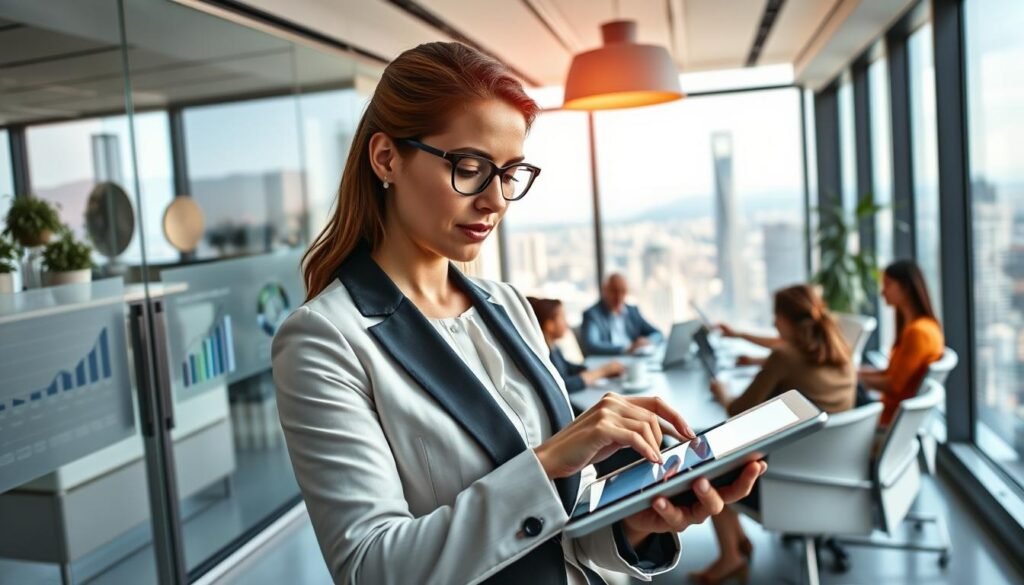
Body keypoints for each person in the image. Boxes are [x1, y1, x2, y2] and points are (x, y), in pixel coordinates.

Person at [271, 41, 766, 585]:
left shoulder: (506, 306)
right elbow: (372, 569)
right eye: (469, 167)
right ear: (387, 157)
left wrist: (633, 525)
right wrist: (548, 460)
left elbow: (556, 529)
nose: (495, 200)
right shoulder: (324, 340)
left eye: (508, 173)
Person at [694, 285, 856, 585]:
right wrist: (752, 351)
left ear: (786, 320)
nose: (772, 324)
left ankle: (731, 555)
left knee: (710, 468)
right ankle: (739, 542)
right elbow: (789, 353)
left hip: (784, 485)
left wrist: (722, 393)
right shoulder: (840, 349)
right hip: (841, 481)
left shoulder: (783, 357)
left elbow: (739, 409)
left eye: (775, 317)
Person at [858, 260, 944, 426]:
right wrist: (858, 373)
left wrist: (858, 378)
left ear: (905, 287)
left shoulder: (919, 333)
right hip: (891, 414)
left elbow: (894, 386)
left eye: (888, 285)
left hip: (889, 417)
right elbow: (893, 375)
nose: (883, 292)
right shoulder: (923, 327)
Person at [528, 296, 625, 393]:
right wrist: (601, 372)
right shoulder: (545, 355)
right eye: (562, 317)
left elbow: (568, 366)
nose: (567, 323)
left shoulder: (553, 347)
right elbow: (564, 385)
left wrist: (596, 371)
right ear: (550, 325)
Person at [581, 274, 663, 356]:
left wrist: (648, 341)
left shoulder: (632, 311)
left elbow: (658, 334)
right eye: (614, 291)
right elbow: (592, 345)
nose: (619, 296)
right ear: (605, 290)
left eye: (623, 291)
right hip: (608, 360)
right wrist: (627, 348)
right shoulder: (592, 314)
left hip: (633, 357)